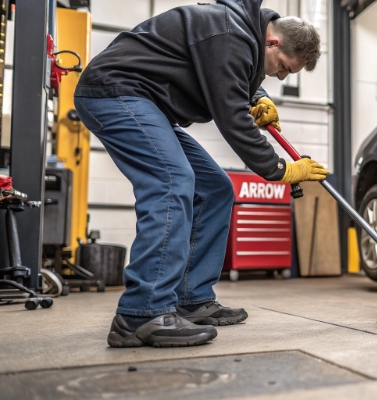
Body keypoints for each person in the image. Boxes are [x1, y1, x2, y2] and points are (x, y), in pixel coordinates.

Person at [73, 0, 329, 348]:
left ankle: (192, 299)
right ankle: (140, 313)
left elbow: (234, 74)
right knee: (172, 181)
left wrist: (259, 95)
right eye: (282, 68)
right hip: (115, 92)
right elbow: (233, 119)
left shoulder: (242, 34)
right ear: (274, 42)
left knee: (216, 188)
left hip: (149, 106)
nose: (280, 76)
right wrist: (281, 169)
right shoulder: (228, 31)